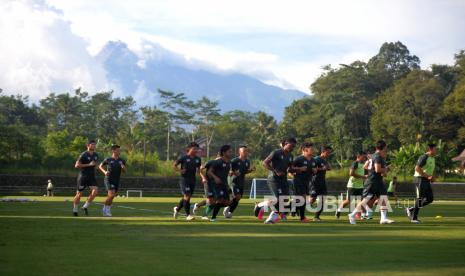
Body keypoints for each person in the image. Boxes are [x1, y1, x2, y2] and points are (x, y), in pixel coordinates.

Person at [348, 140, 394, 224]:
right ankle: (352, 214)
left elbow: (366, 166)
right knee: (366, 200)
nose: (386, 149)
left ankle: (383, 218)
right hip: (372, 181)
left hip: (378, 181)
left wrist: (381, 170)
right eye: (386, 147)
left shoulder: (373, 156)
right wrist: (387, 169)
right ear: (383, 147)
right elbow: (377, 169)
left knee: (383, 197)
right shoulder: (377, 157)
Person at [263, 137, 296, 224]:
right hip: (273, 179)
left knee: (285, 199)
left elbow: (290, 169)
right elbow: (265, 163)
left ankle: (262, 206)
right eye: (291, 146)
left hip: (283, 179)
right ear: (285, 144)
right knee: (279, 198)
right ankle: (271, 218)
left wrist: (297, 171)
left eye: (294, 147)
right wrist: (275, 171)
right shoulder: (276, 152)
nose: (292, 148)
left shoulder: (290, 156)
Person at [406, 143, 437, 223]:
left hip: (426, 180)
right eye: (435, 149)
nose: (436, 151)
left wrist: (432, 177)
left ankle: (411, 209)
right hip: (419, 179)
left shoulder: (433, 158)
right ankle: (414, 218)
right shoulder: (424, 157)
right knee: (419, 198)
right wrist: (427, 176)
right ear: (430, 149)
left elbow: (429, 170)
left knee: (430, 198)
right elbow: (417, 168)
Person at [223, 145, 256, 218]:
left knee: (238, 198)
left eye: (246, 151)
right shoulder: (234, 161)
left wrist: (251, 170)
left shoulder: (247, 161)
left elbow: (244, 172)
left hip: (240, 182)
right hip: (233, 181)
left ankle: (229, 211)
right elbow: (228, 170)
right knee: (237, 196)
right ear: (240, 152)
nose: (246, 152)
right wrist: (233, 172)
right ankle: (228, 209)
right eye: (244, 151)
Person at [173, 142, 201, 221]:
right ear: (189, 149)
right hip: (184, 180)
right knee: (187, 196)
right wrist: (180, 170)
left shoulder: (198, 159)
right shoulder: (183, 157)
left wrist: (203, 177)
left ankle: (177, 209)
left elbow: (199, 170)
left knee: (187, 197)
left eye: (197, 149)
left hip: (193, 180)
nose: (196, 150)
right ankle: (188, 215)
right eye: (194, 149)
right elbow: (174, 165)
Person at [336, 151, 367, 219]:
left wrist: (365, 176)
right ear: (359, 156)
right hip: (352, 185)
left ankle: (362, 215)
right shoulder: (355, 163)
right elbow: (351, 173)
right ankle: (338, 210)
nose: (365, 158)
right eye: (364, 156)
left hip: (360, 186)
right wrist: (362, 177)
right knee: (348, 201)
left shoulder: (363, 164)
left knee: (363, 201)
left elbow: (363, 174)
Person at [291, 142, 317, 223]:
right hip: (298, 181)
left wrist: (315, 171)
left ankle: (281, 209)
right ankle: (302, 218)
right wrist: (299, 170)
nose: (313, 150)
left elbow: (313, 171)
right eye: (311, 149)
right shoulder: (299, 159)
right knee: (303, 199)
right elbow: (290, 169)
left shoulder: (313, 160)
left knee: (299, 201)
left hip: (307, 182)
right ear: (304, 150)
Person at [98, 144, 126, 217]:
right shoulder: (108, 159)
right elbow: (100, 166)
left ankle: (106, 209)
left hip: (116, 180)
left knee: (112, 196)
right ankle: (106, 209)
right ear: (113, 151)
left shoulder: (121, 160)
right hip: (108, 179)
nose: (119, 151)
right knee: (112, 194)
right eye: (118, 150)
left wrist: (123, 167)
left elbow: (125, 171)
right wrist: (105, 172)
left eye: (119, 150)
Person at [73, 140, 99, 216]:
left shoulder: (96, 155)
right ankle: (75, 210)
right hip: (83, 176)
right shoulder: (83, 154)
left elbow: (95, 164)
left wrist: (98, 167)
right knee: (79, 194)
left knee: (95, 191)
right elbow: (76, 165)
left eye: (95, 144)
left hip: (91, 177)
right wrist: (89, 164)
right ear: (88, 145)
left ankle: (85, 206)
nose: (94, 146)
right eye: (92, 144)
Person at [208, 145, 233, 222]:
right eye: (229, 151)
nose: (230, 153)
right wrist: (215, 178)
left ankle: (211, 206)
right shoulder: (217, 162)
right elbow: (209, 172)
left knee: (228, 203)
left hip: (224, 184)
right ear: (224, 152)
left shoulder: (229, 162)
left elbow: (225, 173)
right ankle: (213, 218)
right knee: (220, 200)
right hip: (217, 185)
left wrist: (230, 174)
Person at [309, 146, 332, 221]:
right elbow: (312, 169)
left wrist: (327, 166)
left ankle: (316, 216)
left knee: (323, 199)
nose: (329, 154)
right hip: (315, 182)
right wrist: (322, 168)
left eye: (330, 152)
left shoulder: (325, 160)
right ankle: (297, 208)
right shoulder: (316, 159)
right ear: (323, 152)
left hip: (322, 182)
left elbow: (329, 168)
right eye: (328, 152)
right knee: (313, 199)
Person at [194, 154, 220, 219]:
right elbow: (200, 169)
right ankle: (204, 215)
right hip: (208, 183)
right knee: (211, 201)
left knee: (215, 200)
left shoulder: (223, 164)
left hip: (217, 184)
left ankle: (198, 205)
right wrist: (203, 178)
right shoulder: (211, 162)